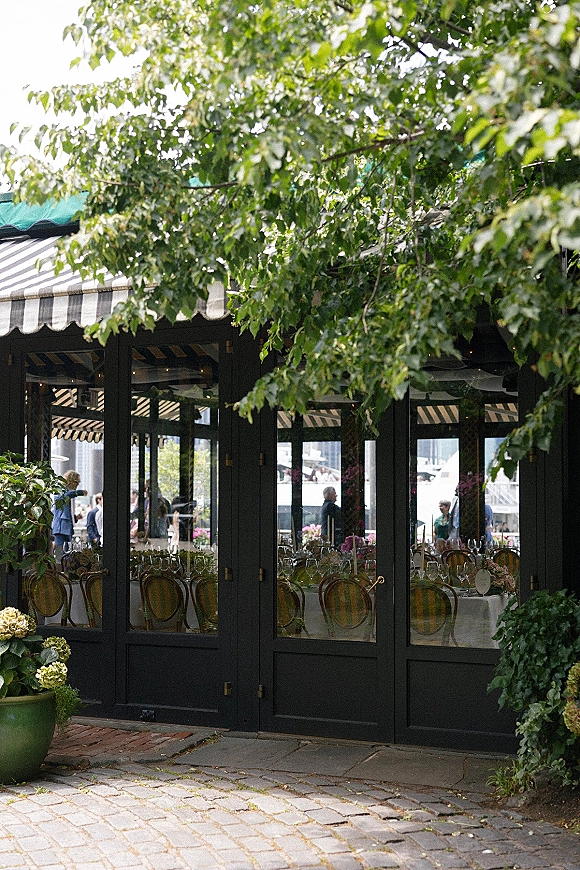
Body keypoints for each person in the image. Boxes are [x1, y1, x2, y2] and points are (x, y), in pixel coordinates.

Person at [52, 470, 87, 557]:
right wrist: (78, 492)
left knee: (66, 553)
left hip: (65, 526)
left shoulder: (65, 491)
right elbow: (63, 497)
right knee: (60, 553)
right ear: (71, 481)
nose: (77, 485)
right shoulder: (60, 489)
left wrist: (75, 518)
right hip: (61, 527)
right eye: (76, 482)